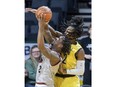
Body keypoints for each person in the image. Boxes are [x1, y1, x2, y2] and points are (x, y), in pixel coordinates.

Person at [26, 8, 85, 87]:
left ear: (75, 35)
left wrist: (66, 71)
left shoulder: (79, 50)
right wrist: (41, 16)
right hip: (55, 79)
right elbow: (48, 30)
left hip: (70, 80)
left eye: (69, 33)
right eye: (66, 31)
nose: (65, 33)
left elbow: (81, 71)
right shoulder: (62, 38)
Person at [35, 12, 71, 87]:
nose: (56, 38)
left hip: (45, 85)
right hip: (40, 84)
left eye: (58, 39)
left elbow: (41, 46)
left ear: (60, 45)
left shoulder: (56, 56)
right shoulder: (53, 47)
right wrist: (41, 16)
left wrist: (40, 28)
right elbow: (46, 30)